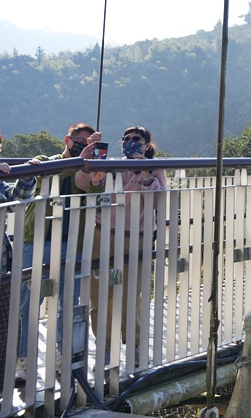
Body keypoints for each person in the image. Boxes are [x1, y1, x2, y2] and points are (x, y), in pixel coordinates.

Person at [17, 123, 104, 382]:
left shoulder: (89, 166)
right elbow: (47, 174)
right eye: (79, 140)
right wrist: (81, 160)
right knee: (26, 305)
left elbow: (95, 192)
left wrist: (93, 165)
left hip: (71, 242)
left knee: (67, 304)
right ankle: (24, 360)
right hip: (38, 239)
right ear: (67, 140)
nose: (83, 144)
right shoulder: (46, 161)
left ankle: (62, 357)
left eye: (89, 141)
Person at [91, 125, 167, 366]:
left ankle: (134, 346)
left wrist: (145, 173)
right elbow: (90, 184)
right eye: (127, 139)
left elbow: (158, 202)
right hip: (103, 234)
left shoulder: (155, 168)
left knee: (131, 295)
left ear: (146, 145)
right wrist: (92, 156)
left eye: (137, 139)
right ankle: (104, 347)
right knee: (100, 294)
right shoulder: (111, 165)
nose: (131, 143)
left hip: (137, 236)